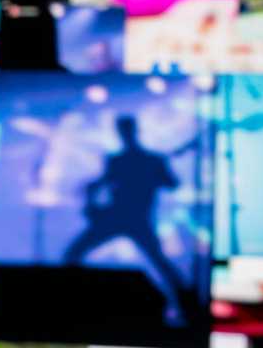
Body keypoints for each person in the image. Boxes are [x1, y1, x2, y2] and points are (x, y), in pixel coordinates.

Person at [64, 115, 184, 299]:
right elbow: (171, 183)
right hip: (123, 217)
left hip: (130, 218)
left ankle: (186, 301)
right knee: (160, 262)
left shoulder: (135, 160)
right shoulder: (133, 160)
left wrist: (156, 170)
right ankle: (186, 300)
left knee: (75, 253)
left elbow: (172, 184)